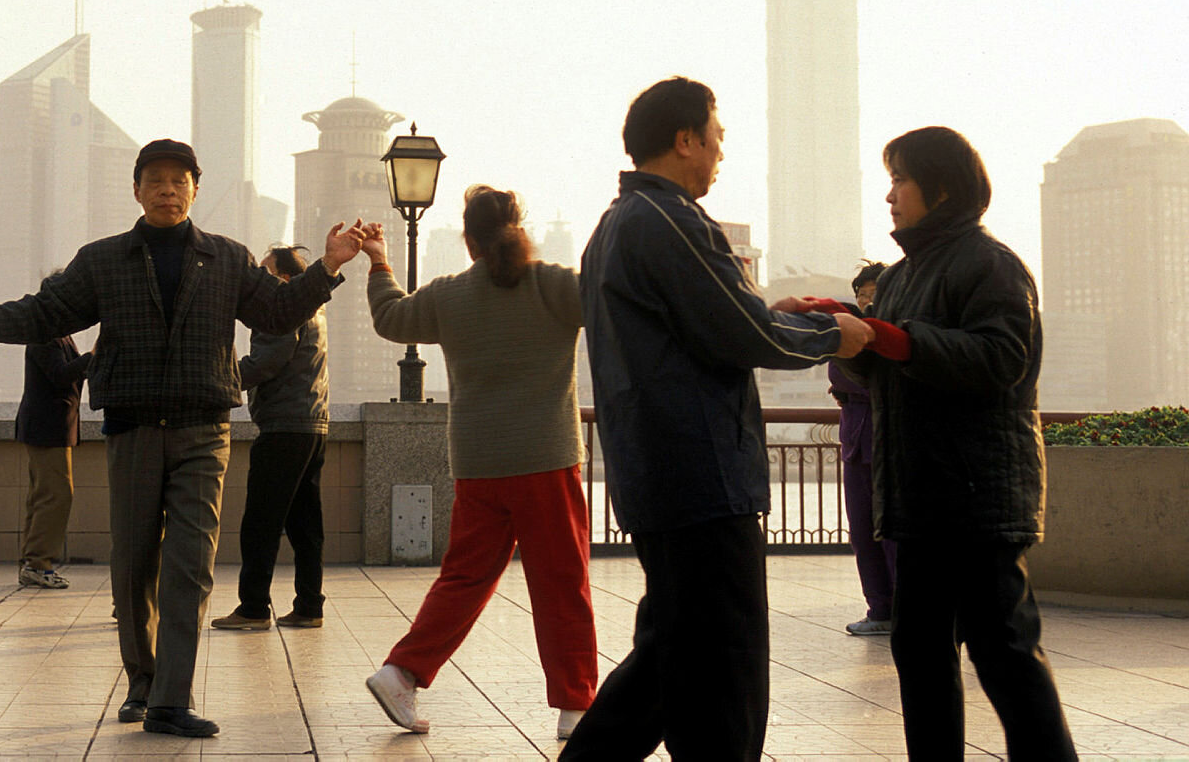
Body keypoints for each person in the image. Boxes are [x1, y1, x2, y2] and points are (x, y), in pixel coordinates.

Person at [0, 138, 365, 739]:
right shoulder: (103, 260)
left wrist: (327, 266)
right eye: (156, 180)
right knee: (132, 565)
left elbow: (279, 313)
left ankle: (172, 702)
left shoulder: (227, 258)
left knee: (191, 565)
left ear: (194, 190)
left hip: (203, 428)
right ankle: (143, 683)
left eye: (179, 181)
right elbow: (46, 313)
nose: (167, 190)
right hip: (132, 428)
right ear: (137, 190)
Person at [561, 77, 872, 762]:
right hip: (702, 479)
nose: (721, 152)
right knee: (725, 678)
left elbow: (710, 324)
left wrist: (774, 315)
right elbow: (741, 333)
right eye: (717, 136)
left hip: (657, 476)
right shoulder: (670, 220)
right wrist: (834, 336)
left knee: (668, 664)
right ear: (685, 140)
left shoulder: (612, 228)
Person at [852, 126, 1075, 760]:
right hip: (921, 503)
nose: (890, 195)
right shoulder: (902, 275)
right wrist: (847, 337)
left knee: (1004, 655)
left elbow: (999, 358)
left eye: (900, 180)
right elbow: (893, 366)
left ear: (942, 188)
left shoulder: (991, 265)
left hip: (979, 502)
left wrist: (892, 339)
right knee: (919, 651)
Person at [359, 186, 597, 742]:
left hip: (478, 465)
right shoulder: (553, 285)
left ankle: (401, 672)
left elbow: (390, 317)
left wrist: (380, 261)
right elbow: (618, 300)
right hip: (545, 461)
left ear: (468, 240)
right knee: (561, 584)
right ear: (521, 228)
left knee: (465, 578)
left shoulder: (449, 295)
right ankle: (575, 706)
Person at [211, 245, 331, 632]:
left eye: (265, 272)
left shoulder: (284, 311)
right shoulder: (315, 310)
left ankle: (253, 608)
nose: (258, 281)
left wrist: (216, 381)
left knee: (260, 522)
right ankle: (309, 605)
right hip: (312, 424)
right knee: (305, 524)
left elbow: (265, 362)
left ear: (284, 279)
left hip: (284, 426)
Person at [826, 260, 898, 635]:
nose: (867, 301)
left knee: (894, 530)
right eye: (862, 295)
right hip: (855, 436)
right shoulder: (847, 333)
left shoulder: (895, 333)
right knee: (861, 529)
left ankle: (908, 611)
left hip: (891, 439)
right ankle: (880, 608)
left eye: (874, 294)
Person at [14, 277, 93, 589]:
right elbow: (61, 375)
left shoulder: (59, 334)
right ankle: (38, 563)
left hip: (53, 427)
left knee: (42, 495)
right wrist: (93, 357)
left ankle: (32, 561)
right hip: (47, 428)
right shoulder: (44, 335)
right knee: (56, 495)